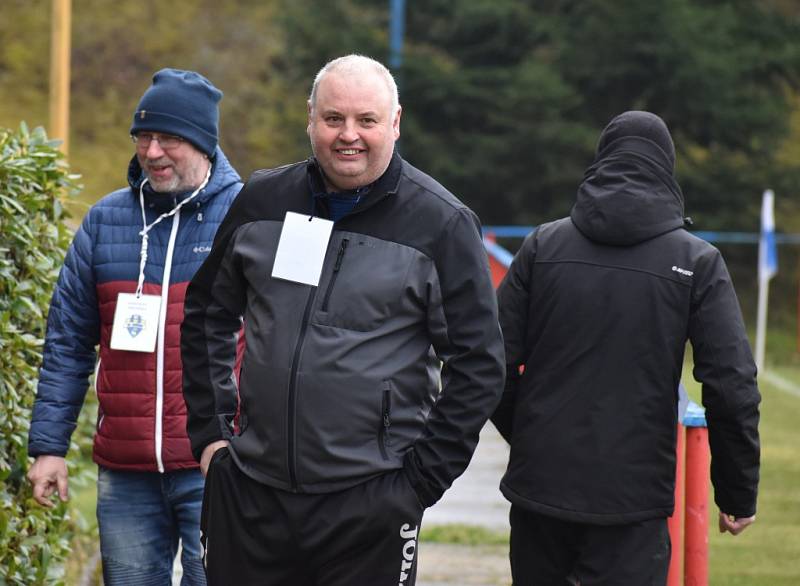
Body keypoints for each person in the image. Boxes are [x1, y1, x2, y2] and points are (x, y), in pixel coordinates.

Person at [181, 54, 505, 586]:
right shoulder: (262, 201)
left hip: (370, 505)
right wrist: (212, 437)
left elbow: (480, 365)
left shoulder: (442, 225)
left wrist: (420, 482)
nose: (348, 135)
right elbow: (206, 314)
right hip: (251, 492)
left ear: (395, 123)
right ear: (310, 119)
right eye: (333, 119)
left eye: (366, 121)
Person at [492, 111, 761, 584]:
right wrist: (737, 493)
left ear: (601, 163)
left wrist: (533, 433)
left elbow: (489, 360)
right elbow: (731, 384)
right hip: (633, 501)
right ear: (667, 171)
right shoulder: (697, 261)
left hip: (541, 491)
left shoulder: (542, 245)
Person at [27, 68, 243, 585]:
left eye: (168, 137)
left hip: (217, 465)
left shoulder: (246, 218)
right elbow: (67, 344)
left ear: (203, 143)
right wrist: (50, 447)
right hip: (124, 471)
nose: (152, 151)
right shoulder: (104, 223)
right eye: (143, 137)